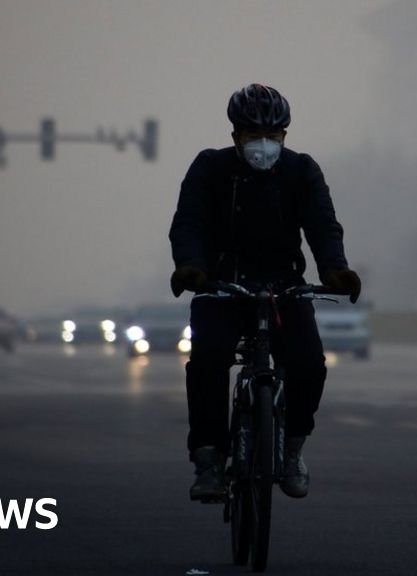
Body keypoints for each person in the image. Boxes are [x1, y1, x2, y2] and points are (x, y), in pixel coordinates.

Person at [169, 83, 361, 501]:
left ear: (285, 137)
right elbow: (188, 223)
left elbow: (323, 225)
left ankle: (292, 451)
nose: (263, 145)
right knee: (207, 362)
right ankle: (208, 461)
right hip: (221, 287)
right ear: (235, 136)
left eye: (273, 137)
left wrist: (334, 269)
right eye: (254, 136)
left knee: (309, 364)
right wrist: (191, 268)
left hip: (283, 289)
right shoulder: (209, 168)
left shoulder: (301, 171)